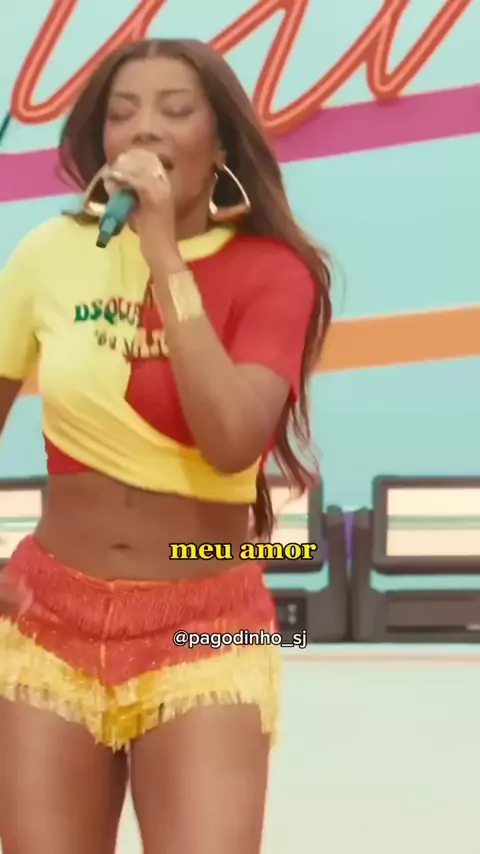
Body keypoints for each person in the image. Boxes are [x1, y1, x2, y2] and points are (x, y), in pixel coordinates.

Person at [0, 38, 331, 854]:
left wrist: (161, 255)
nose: (144, 128)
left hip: (205, 625)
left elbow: (231, 440)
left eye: (175, 111)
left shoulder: (274, 271)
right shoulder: (48, 254)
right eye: (122, 113)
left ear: (219, 145)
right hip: (48, 618)